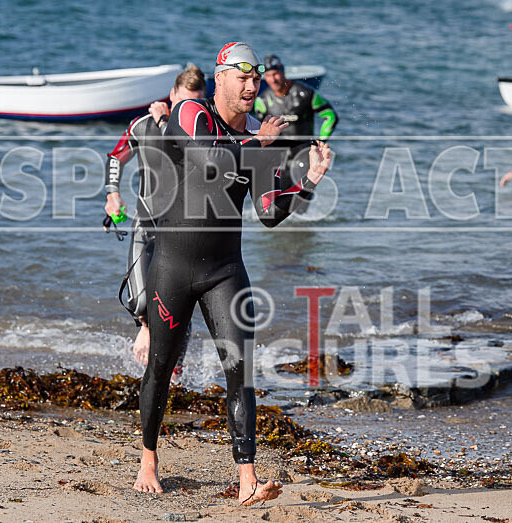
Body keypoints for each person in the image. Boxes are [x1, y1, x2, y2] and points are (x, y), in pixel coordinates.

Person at [133, 42, 332, 506]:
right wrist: (259, 143)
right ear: (219, 78)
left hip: (224, 269)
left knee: (240, 370)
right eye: (240, 77)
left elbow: (269, 213)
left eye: (255, 78)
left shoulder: (258, 142)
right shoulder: (191, 113)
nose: (250, 85)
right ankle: (148, 458)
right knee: (161, 369)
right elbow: (213, 157)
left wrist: (308, 182)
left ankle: (247, 478)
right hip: (174, 266)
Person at [105, 66, 207, 382]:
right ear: (172, 95)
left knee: (179, 304)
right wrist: (112, 194)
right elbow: (115, 157)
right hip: (146, 223)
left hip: (184, 231)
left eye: (197, 104)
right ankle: (147, 329)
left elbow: (179, 163)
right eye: (185, 102)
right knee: (139, 300)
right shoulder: (143, 125)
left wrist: (167, 122)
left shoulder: (202, 131)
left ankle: (173, 374)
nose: (190, 110)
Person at [254, 54, 338, 184]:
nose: (273, 79)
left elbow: (331, 116)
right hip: (278, 157)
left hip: (303, 155)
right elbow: (258, 130)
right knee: (277, 199)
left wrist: (320, 141)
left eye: (275, 74)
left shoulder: (305, 94)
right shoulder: (262, 101)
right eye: (269, 76)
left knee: (302, 195)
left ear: (283, 72)